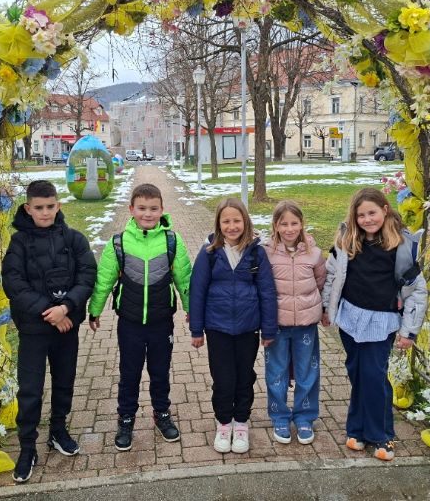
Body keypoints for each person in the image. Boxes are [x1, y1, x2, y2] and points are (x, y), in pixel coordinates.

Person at [322, 187, 427, 461]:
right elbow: (332, 276)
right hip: (350, 319)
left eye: (372, 213)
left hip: (381, 321)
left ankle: (381, 434)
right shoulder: (347, 241)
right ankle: (356, 429)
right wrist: (326, 308)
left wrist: (409, 330)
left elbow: (416, 291)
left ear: (385, 209)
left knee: (374, 375)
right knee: (357, 373)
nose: (367, 219)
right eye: (361, 215)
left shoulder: (400, 246)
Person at [2, 180, 97, 483]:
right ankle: (27, 447)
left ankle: (58, 430)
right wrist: (50, 313)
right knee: (30, 389)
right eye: (39, 207)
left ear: (58, 205)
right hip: (34, 329)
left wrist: (66, 307)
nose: (45, 212)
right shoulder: (18, 243)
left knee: (64, 381)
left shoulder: (74, 239)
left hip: (67, 327)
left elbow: (87, 275)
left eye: (50, 206)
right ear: (28, 209)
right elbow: (14, 283)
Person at [88, 183, 191, 452]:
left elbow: (184, 279)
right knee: (129, 373)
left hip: (161, 322)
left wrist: (192, 310)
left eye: (153, 208)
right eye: (142, 208)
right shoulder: (118, 242)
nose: (148, 213)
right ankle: (126, 419)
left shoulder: (172, 241)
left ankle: (162, 413)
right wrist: (95, 309)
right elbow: (104, 279)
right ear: (131, 209)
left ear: (162, 210)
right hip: (130, 323)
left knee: (160, 372)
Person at [189, 198, 278, 454]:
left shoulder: (256, 253)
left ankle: (241, 422)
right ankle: (224, 422)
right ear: (218, 224)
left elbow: (267, 292)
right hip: (217, 329)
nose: (232, 226)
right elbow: (197, 292)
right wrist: (197, 330)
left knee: (244, 377)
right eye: (226, 221)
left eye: (236, 220)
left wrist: (268, 329)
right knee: (223, 379)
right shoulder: (209, 253)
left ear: (245, 222)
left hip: (248, 329)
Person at [262, 201, 327, 445]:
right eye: (284, 224)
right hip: (277, 325)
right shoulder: (266, 253)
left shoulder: (314, 253)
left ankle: (304, 416)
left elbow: (321, 282)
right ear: (276, 225)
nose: (289, 229)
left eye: (294, 223)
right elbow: (263, 286)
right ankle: (279, 416)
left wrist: (320, 308)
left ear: (301, 224)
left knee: (307, 372)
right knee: (276, 372)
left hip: (306, 325)